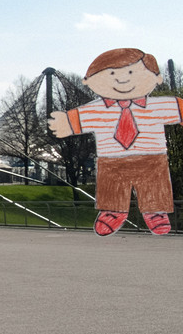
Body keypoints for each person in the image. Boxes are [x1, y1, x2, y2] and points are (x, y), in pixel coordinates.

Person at [48, 48, 183, 236]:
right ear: (89, 82)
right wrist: (66, 123)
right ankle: (113, 211)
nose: (122, 79)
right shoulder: (97, 109)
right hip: (112, 160)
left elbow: (179, 108)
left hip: (152, 158)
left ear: (156, 78)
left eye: (131, 72)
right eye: (111, 74)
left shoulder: (158, 105)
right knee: (111, 186)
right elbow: (78, 119)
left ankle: (155, 211)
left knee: (154, 184)